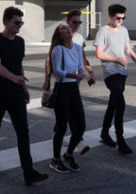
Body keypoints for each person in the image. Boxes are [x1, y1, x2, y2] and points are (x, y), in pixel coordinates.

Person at [0, 6, 48, 186]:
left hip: (16, 94)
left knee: (23, 131)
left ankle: (28, 172)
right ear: (6, 22)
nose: (19, 25)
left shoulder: (20, 42)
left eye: (21, 22)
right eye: (16, 22)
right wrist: (14, 78)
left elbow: (18, 65)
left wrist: (24, 87)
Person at [94, 3, 136, 154]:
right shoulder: (103, 31)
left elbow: (128, 49)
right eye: (118, 18)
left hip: (122, 72)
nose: (120, 21)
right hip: (110, 72)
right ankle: (120, 140)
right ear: (110, 16)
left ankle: (104, 133)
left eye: (123, 18)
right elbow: (99, 54)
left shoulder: (123, 30)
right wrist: (117, 59)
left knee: (113, 104)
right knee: (120, 104)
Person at [46, 24, 87, 173]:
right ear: (60, 35)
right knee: (62, 127)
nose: (67, 29)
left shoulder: (77, 47)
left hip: (74, 89)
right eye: (62, 29)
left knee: (81, 126)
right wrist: (74, 76)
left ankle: (68, 154)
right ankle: (55, 159)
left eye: (67, 28)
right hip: (62, 89)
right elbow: (57, 71)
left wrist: (81, 72)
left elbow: (81, 65)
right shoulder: (58, 49)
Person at [43, 10, 95, 90]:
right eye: (75, 22)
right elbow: (49, 58)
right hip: (63, 79)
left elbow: (83, 57)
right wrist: (47, 79)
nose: (77, 25)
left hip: (76, 78)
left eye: (79, 22)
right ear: (68, 22)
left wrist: (90, 72)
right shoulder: (61, 37)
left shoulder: (80, 37)